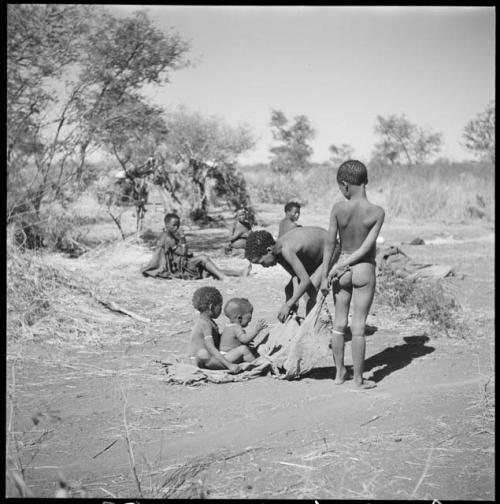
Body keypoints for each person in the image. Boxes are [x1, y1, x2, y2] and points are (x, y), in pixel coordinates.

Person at [320, 160, 385, 390]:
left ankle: (339, 374)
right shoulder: (377, 212)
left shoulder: (338, 209)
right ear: (365, 181)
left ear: (345, 185)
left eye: (340, 187)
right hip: (364, 269)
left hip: (341, 271)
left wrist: (328, 271)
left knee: (339, 323)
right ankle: (358, 379)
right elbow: (367, 248)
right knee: (357, 326)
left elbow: (329, 243)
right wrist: (346, 265)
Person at [245, 227, 340, 322]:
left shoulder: (286, 250)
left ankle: (311, 327)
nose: (264, 266)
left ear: (269, 250)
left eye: (262, 262)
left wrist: (288, 304)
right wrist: (294, 300)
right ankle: (293, 319)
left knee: (310, 291)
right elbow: (295, 275)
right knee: (289, 289)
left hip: (331, 249)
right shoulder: (277, 251)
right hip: (313, 257)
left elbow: (305, 281)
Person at [142, 213, 251, 280]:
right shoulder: (168, 238)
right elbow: (183, 253)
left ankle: (239, 273)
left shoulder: (167, 235)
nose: (177, 228)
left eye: (178, 225)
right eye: (174, 225)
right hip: (178, 267)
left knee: (209, 270)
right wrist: (183, 238)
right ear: (166, 225)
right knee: (203, 258)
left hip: (179, 263)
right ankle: (223, 277)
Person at [189, 286, 243, 371]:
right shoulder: (206, 324)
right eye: (220, 306)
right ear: (211, 307)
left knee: (239, 350)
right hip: (206, 360)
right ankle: (258, 364)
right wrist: (229, 365)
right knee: (242, 350)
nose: (221, 309)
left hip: (204, 358)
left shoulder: (206, 321)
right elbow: (211, 347)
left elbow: (218, 341)